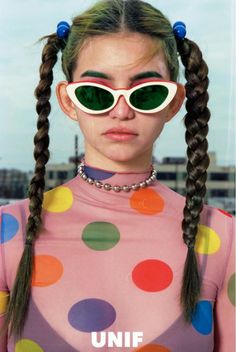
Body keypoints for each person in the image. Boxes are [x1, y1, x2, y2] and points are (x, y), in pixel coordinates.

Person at [0, 0, 235, 351]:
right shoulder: (7, 234)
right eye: (96, 94)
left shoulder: (223, 237)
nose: (121, 111)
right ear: (68, 101)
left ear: (173, 102)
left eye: (147, 93)